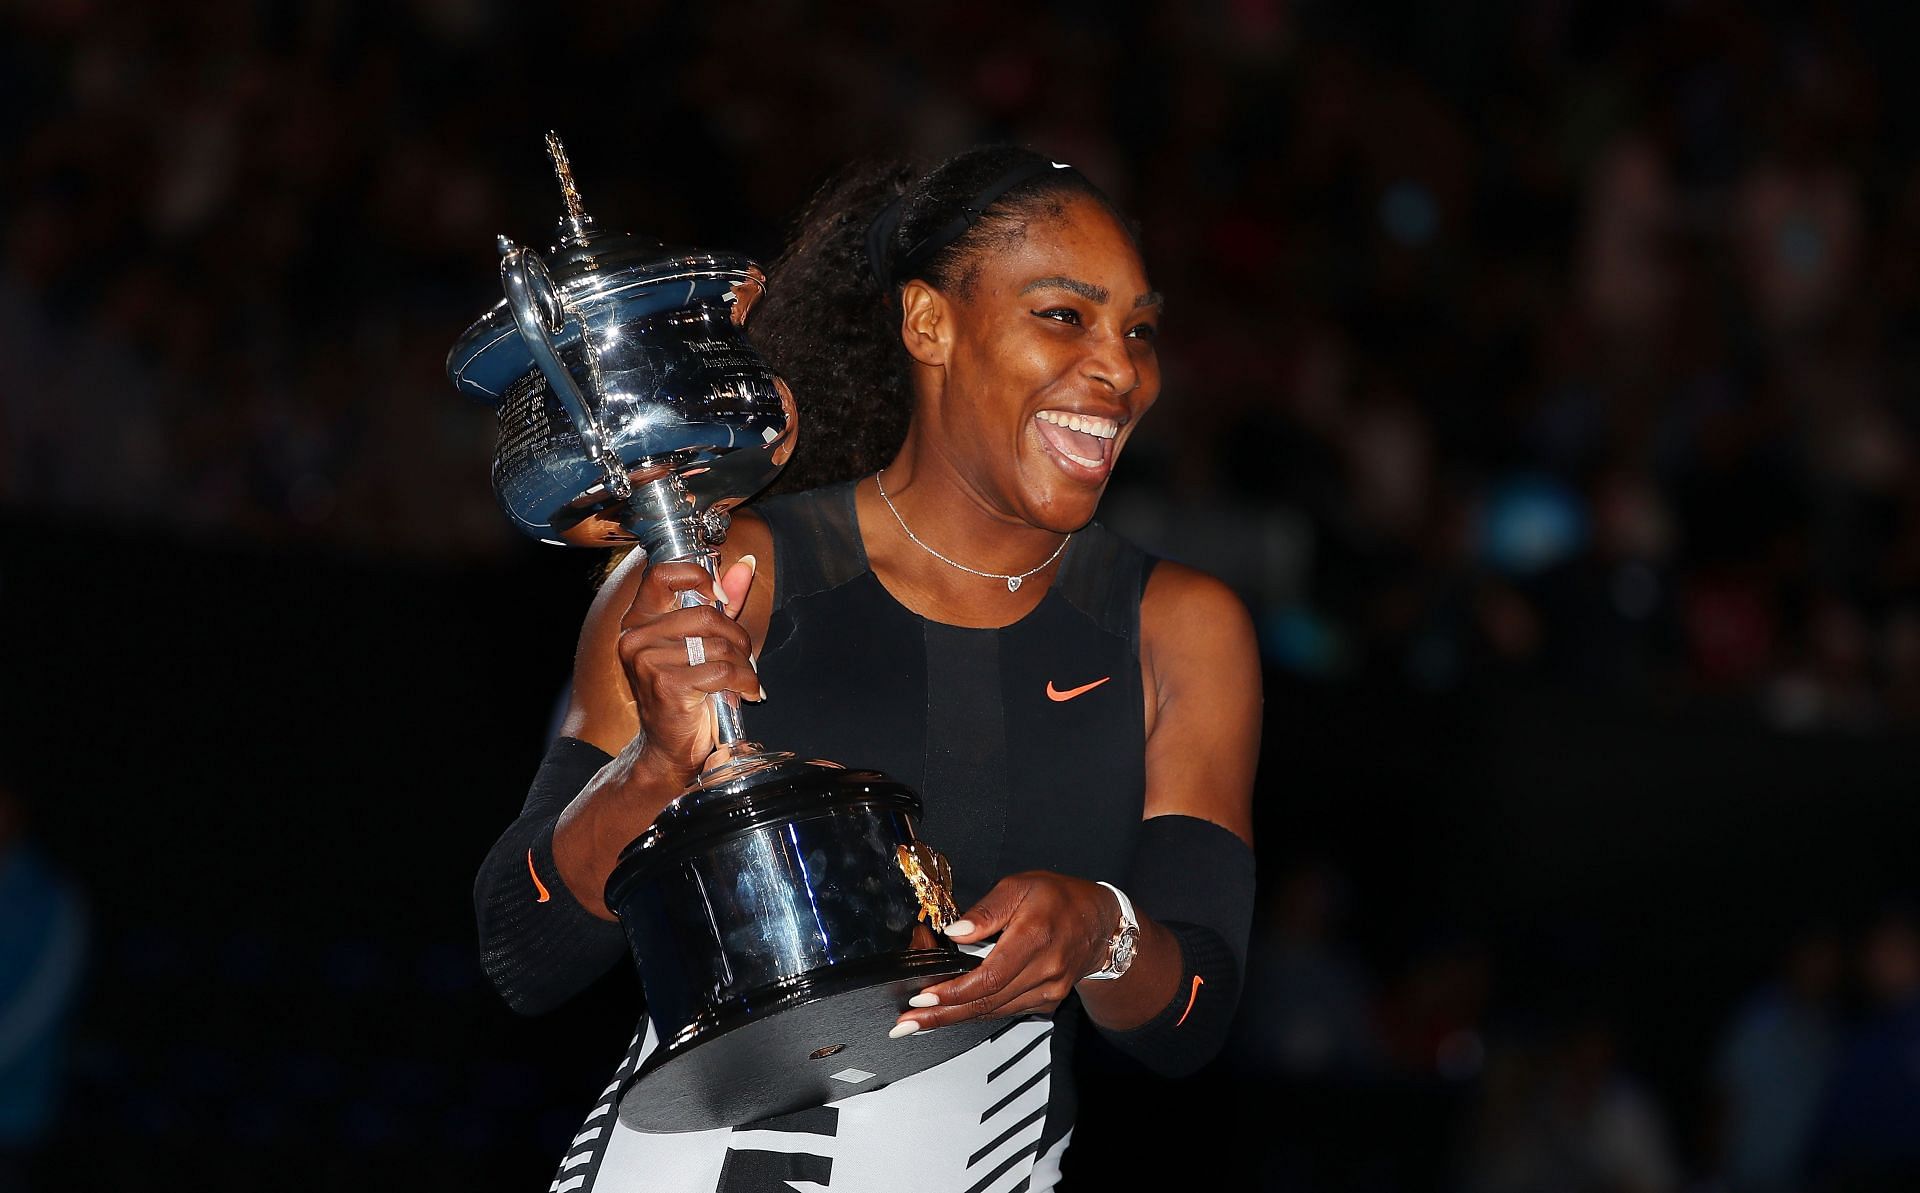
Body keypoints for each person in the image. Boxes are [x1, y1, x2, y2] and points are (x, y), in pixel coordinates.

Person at [474, 144, 1261, 1192]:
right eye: (1064, 315)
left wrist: (1101, 930)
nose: (1120, 370)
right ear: (929, 322)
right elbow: (521, 945)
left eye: (1139, 330)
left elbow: (1195, 1013)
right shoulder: (732, 571)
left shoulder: (1179, 627)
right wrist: (655, 767)